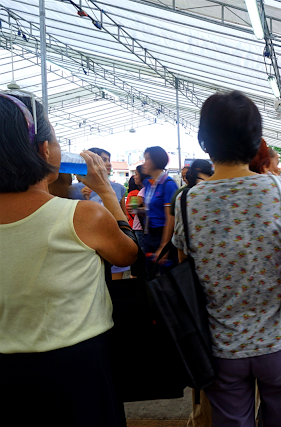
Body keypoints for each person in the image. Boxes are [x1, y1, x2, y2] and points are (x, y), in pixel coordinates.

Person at [0, 93, 138, 426]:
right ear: (45, 151)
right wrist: (106, 191)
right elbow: (128, 253)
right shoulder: (82, 216)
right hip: (77, 367)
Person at [173, 91, 281, 427]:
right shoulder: (278, 189)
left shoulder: (187, 202)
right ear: (255, 141)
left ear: (205, 141)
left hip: (221, 347)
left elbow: (183, 265)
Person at [69, 147, 129, 280]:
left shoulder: (119, 188)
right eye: (103, 160)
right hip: (87, 247)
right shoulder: (73, 190)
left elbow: (124, 216)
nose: (108, 163)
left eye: (109, 160)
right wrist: (86, 200)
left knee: (114, 286)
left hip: (113, 241)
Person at [139, 146, 179, 266]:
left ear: (156, 160)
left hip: (162, 235)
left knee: (164, 277)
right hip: (149, 235)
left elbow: (170, 218)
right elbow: (152, 210)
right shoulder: (149, 183)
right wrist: (138, 210)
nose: (144, 163)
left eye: (147, 159)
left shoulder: (168, 184)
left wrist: (164, 247)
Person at [127, 165, 149, 243]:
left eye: (136, 174)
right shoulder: (148, 190)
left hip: (139, 228)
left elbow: (131, 208)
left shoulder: (142, 191)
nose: (134, 177)